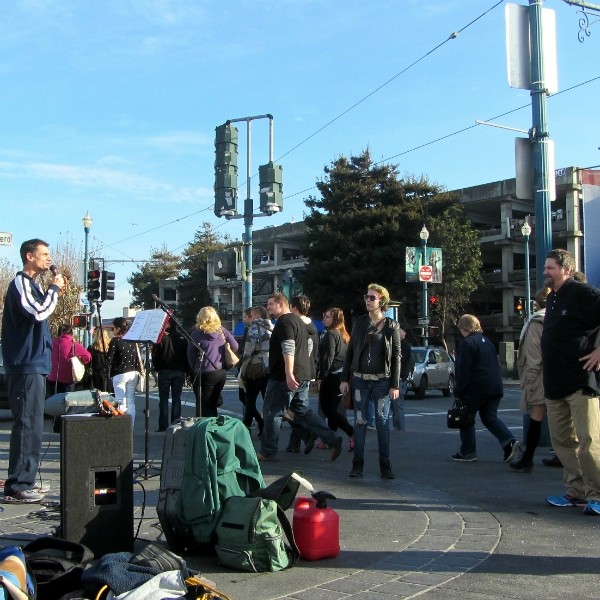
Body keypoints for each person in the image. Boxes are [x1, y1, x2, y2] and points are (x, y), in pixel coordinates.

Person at [2, 238, 65, 503]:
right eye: (44, 254)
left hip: (34, 364)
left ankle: (25, 478)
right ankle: (18, 484)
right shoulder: (21, 284)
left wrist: (51, 290)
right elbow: (38, 313)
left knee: (34, 425)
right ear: (30, 256)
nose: (49, 259)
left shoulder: (35, 286)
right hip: (25, 365)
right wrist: (53, 289)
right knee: (27, 424)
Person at [540, 249, 600, 514]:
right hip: (555, 383)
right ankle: (576, 492)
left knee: (589, 441)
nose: (545, 272)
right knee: (563, 442)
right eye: (545, 267)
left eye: (550, 268)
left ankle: (596, 494)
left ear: (566, 269)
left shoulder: (583, 293)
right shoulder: (553, 299)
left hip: (581, 380)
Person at [258, 293, 342, 461]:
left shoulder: (284, 322)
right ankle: (331, 439)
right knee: (302, 411)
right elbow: (308, 348)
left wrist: (289, 373)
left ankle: (268, 451)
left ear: (281, 305)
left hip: (285, 376)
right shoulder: (299, 322)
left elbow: (288, 347)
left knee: (272, 413)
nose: (268, 308)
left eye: (270, 304)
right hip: (304, 374)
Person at [340, 283, 401, 479]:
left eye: (372, 298)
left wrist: (395, 384)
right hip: (360, 380)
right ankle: (357, 464)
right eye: (367, 297)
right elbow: (350, 351)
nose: (368, 300)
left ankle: (385, 464)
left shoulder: (391, 326)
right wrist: (344, 379)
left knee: (382, 422)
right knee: (360, 421)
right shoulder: (359, 322)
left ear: (382, 301)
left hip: (382, 382)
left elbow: (396, 356)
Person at [451, 314, 520, 463]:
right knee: (490, 417)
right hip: (494, 386)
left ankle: (468, 452)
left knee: (467, 418)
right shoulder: (487, 342)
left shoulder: (467, 344)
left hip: (476, 388)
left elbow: (463, 371)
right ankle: (509, 441)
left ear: (464, 328)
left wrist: (458, 391)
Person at [510, 287, 551, 473]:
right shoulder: (558, 319)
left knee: (537, 416)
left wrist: (530, 381)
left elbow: (534, 357)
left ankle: (528, 458)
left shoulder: (536, 323)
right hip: (560, 375)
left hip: (541, 376)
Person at [187, 306, 238, 418]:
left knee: (204, 404)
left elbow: (190, 355)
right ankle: (214, 425)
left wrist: (195, 368)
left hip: (204, 372)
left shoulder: (197, 334)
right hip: (220, 371)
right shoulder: (222, 330)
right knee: (213, 402)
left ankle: (206, 428)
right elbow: (235, 345)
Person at [316, 308, 354, 450]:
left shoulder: (331, 334)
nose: (324, 319)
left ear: (335, 320)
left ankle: (350, 432)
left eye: (327, 317)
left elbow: (328, 357)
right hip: (342, 376)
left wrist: (321, 376)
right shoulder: (344, 335)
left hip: (331, 376)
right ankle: (330, 440)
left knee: (328, 410)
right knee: (333, 409)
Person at [240, 306, 272, 436]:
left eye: (252, 316)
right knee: (268, 401)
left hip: (256, 367)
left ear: (257, 316)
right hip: (269, 367)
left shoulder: (254, 328)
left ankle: (245, 428)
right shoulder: (272, 328)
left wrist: (243, 370)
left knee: (250, 399)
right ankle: (267, 428)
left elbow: (248, 352)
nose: (250, 319)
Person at [153, 317, 189, 432]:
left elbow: (155, 355)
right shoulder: (182, 337)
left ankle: (163, 425)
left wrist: (157, 367)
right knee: (176, 398)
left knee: (163, 399)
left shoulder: (162, 337)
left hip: (164, 370)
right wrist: (187, 371)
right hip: (179, 370)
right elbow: (186, 356)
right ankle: (175, 423)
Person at [107, 317, 141, 427]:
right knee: (131, 401)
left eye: (113, 328)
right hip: (133, 372)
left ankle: (121, 427)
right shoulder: (132, 339)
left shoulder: (116, 340)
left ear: (117, 328)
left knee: (120, 400)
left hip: (120, 372)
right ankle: (131, 426)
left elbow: (109, 359)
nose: (112, 331)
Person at [46, 324, 91, 396]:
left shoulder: (52, 342)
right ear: (71, 333)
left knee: (53, 401)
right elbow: (87, 356)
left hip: (52, 376)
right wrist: (81, 360)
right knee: (66, 401)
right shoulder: (73, 344)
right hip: (68, 378)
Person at [390, 326, 412, 431]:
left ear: (404, 332)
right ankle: (397, 426)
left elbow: (399, 359)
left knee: (398, 405)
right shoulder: (394, 344)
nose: (398, 333)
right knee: (394, 406)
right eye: (396, 331)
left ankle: (399, 428)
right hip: (394, 378)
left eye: (400, 331)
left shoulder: (405, 345)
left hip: (400, 379)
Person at [88, 327, 113, 393]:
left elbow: (89, 361)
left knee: (97, 394)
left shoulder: (92, 348)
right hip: (108, 373)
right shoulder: (110, 347)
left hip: (96, 374)